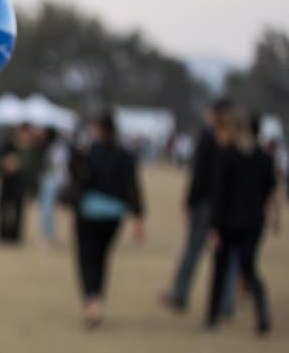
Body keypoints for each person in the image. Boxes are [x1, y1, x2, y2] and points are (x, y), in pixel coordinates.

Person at [67, 111, 145, 328]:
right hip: (114, 214)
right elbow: (133, 186)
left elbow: (77, 175)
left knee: (86, 258)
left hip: (89, 212)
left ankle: (91, 299)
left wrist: (78, 155)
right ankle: (97, 298)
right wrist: (138, 217)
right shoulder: (124, 155)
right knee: (101, 257)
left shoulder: (90, 152)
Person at [205, 109, 277, 333]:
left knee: (220, 269)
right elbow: (270, 190)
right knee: (249, 268)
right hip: (253, 222)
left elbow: (219, 194)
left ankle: (213, 316)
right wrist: (273, 216)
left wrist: (214, 227)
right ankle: (261, 310)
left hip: (228, 223)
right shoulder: (263, 157)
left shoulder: (227, 155)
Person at [161, 98, 235, 313]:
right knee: (226, 254)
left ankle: (180, 293)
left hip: (206, 204)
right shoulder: (235, 138)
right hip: (228, 206)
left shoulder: (208, 136)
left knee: (193, 249)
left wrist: (190, 200)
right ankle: (225, 302)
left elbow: (200, 174)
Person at [0, 123, 37, 243]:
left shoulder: (31, 149)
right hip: (7, 182)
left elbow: (32, 169)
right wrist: (6, 164)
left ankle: (15, 236)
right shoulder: (8, 146)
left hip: (20, 184)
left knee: (19, 210)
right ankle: (3, 234)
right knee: (3, 208)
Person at [35, 126, 68, 247]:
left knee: (47, 209)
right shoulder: (50, 148)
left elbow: (60, 168)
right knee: (45, 209)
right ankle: (47, 234)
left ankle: (48, 235)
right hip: (48, 181)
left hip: (53, 182)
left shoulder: (57, 149)